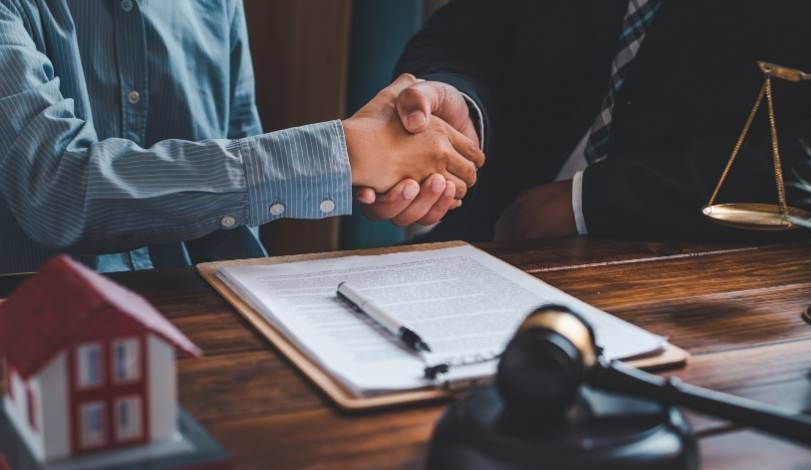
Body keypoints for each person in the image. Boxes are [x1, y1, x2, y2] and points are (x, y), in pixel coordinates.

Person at [0, 0, 484, 274]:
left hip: (208, 328)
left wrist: (374, 171)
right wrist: (342, 154)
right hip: (35, 350)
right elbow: (55, 187)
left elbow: (237, 208)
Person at [362, 0, 811, 242]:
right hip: (485, 239)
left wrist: (588, 203)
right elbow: (460, 37)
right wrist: (453, 105)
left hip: (697, 271)